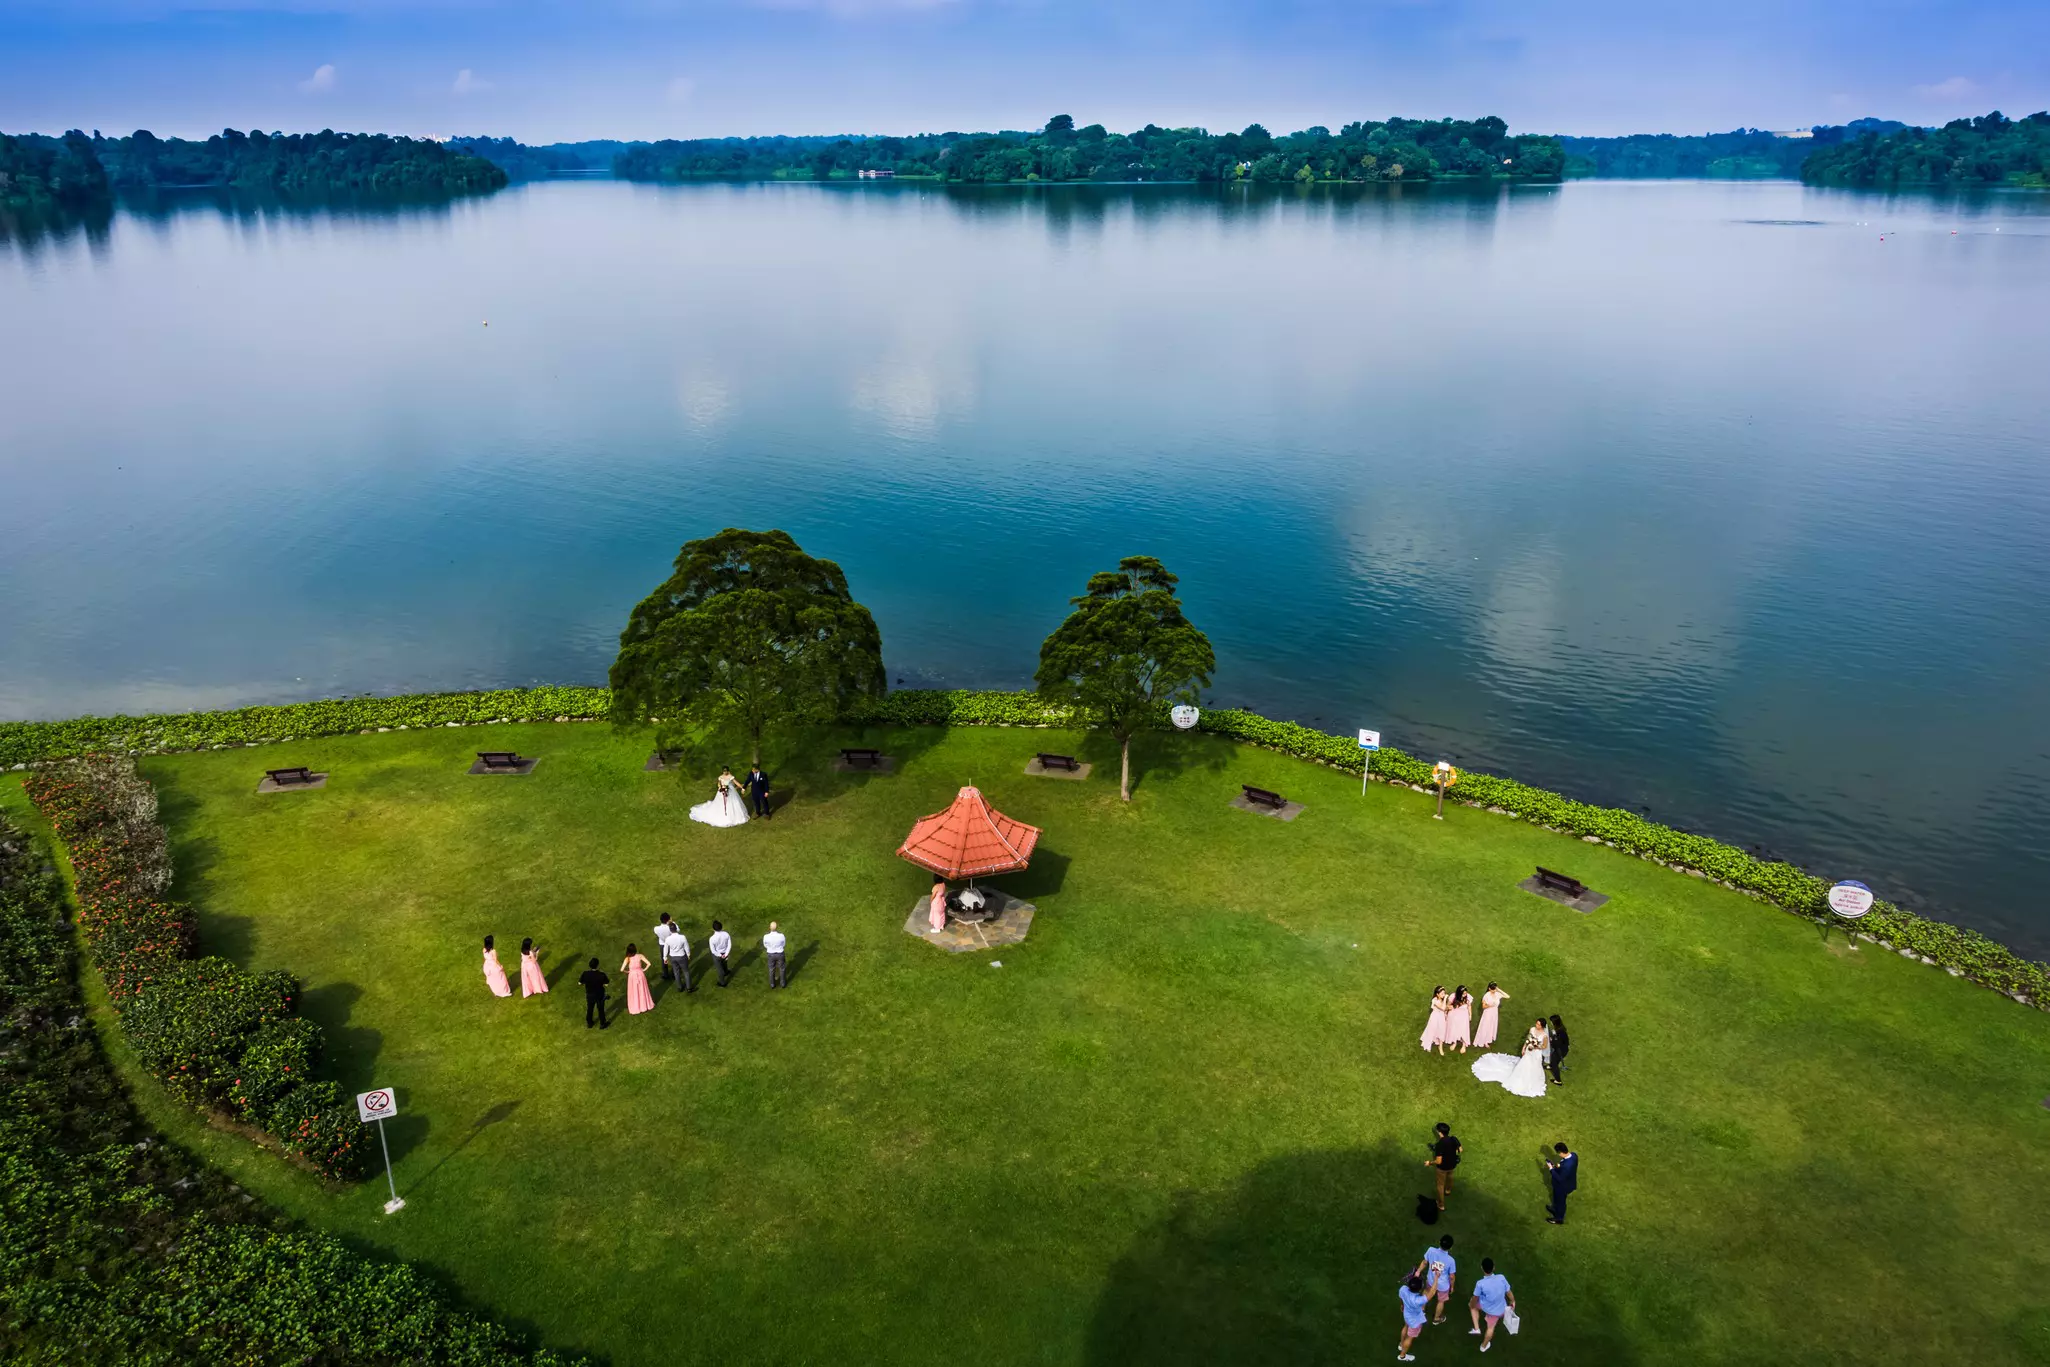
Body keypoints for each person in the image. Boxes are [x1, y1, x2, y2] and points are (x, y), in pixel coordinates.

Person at [1469, 1258, 1515, 1351]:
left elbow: (1475, 1298)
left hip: (1488, 1309)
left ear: (1482, 1268)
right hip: (1501, 1309)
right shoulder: (1501, 1277)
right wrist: (1512, 1301)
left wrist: (1471, 1304)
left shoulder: (1480, 1284)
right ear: (1494, 1267)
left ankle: (1477, 1328)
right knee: (1491, 1327)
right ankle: (1483, 1346)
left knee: (1472, 1307)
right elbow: (1508, 1292)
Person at [1420, 1234, 1457, 1325]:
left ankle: (1421, 1310)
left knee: (1426, 1292)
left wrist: (1418, 1271)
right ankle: (1436, 1319)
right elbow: (1452, 1276)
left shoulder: (1431, 1250)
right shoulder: (1451, 1260)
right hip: (1443, 1286)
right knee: (1441, 1301)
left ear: (1439, 1242)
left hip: (1431, 1280)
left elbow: (1425, 1262)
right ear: (1451, 1247)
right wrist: (1452, 1287)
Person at [1425, 1122, 1461, 1211]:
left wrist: (1429, 1163)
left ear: (1439, 1132)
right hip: (1452, 1164)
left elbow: (1438, 1161)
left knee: (1440, 1185)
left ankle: (1441, 1205)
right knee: (1450, 1176)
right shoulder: (1453, 1139)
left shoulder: (1440, 1144)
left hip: (1442, 1168)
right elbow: (1460, 1149)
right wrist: (1450, 1153)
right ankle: (1448, 1191)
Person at [1396, 1269, 1429, 1361]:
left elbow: (1401, 1299)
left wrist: (1402, 1305)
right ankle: (1402, 1356)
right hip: (1415, 1321)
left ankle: (1401, 1344)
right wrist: (1436, 1279)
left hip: (1407, 1315)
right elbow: (1432, 1292)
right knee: (1410, 1338)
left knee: (1405, 1327)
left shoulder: (1403, 1289)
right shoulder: (1418, 1300)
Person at [1544, 1141, 1578, 1224]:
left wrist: (1551, 1169)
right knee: (1556, 1199)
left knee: (1560, 1202)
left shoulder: (1567, 1166)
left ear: (1560, 1152)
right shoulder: (1574, 1155)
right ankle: (1555, 1209)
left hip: (1562, 1186)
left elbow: (1560, 1178)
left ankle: (1559, 1219)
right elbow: (1566, 1167)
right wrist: (1558, 1166)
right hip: (1567, 1183)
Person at [622, 944, 654, 1015]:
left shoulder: (627, 958)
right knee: (642, 989)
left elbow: (621, 969)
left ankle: (636, 1007)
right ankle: (645, 1006)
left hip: (632, 976)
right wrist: (644, 969)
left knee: (634, 991)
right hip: (640, 974)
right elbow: (649, 963)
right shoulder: (640, 956)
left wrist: (627, 972)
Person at [1474, 981, 1508, 1049]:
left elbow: (1507, 996)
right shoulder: (1486, 996)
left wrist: (1499, 990)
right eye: (1493, 989)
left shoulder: (1497, 994)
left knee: (1491, 1026)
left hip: (1494, 1013)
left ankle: (1487, 1040)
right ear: (1489, 989)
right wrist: (1490, 1005)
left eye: (1495, 989)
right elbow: (1483, 1006)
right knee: (1485, 1026)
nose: (1494, 990)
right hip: (1488, 1013)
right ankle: (1482, 1040)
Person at [579, 957, 610, 1029]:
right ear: (597, 965)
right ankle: (602, 1024)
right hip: (599, 995)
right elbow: (606, 984)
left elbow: (579, 983)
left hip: (589, 994)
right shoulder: (601, 974)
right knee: (600, 1009)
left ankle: (589, 1023)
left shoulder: (585, 973)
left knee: (590, 1008)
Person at [1419, 986, 1449, 1054]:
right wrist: (1445, 999)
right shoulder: (1434, 1001)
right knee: (1432, 1030)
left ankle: (1440, 1047)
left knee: (1442, 1030)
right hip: (1435, 1017)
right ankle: (1428, 1044)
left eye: (1444, 993)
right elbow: (1443, 1008)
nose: (1443, 995)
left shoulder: (1442, 999)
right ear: (1437, 994)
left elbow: (1445, 1009)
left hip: (1441, 1017)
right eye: (1442, 993)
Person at [663, 924, 693, 992]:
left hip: (673, 957)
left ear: (670, 930)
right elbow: (686, 946)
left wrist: (665, 958)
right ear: (676, 929)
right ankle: (689, 988)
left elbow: (665, 949)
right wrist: (688, 954)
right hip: (682, 956)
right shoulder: (682, 937)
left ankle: (679, 987)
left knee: (676, 973)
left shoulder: (668, 939)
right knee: (686, 972)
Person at [1446, 986, 1473, 1054]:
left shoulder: (1468, 997)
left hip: (1464, 1015)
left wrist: (1470, 1015)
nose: (1465, 995)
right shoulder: (1453, 996)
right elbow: (1447, 1006)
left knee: (1463, 1029)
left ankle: (1464, 1044)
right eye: (1463, 993)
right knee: (1454, 1028)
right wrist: (1451, 1008)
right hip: (1454, 1015)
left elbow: (1469, 1006)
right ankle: (1454, 1042)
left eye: (1465, 993)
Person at [763, 921, 788, 988]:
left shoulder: (766, 936)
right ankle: (782, 984)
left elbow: (765, 945)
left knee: (771, 969)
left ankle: (772, 984)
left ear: (770, 928)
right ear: (777, 928)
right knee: (782, 968)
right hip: (780, 953)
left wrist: (770, 948)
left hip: (770, 954)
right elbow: (783, 944)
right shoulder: (781, 935)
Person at [1547, 1014, 1569, 1084]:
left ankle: (1558, 1080)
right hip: (1563, 1048)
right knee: (1554, 1058)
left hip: (1561, 1050)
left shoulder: (1560, 1032)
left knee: (1554, 1063)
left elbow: (1556, 1044)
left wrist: (1551, 1040)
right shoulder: (1561, 1029)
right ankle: (1550, 1066)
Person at [710, 920, 733, 986]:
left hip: (717, 955)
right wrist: (726, 954)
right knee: (725, 963)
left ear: (713, 928)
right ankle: (726, 971)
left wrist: (720, 955)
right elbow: (729, 944)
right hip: (725, 953)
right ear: (721, 927)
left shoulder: (712, 938)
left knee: (720, 969)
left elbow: (713, 950)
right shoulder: (726, 934)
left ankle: (722, 983)